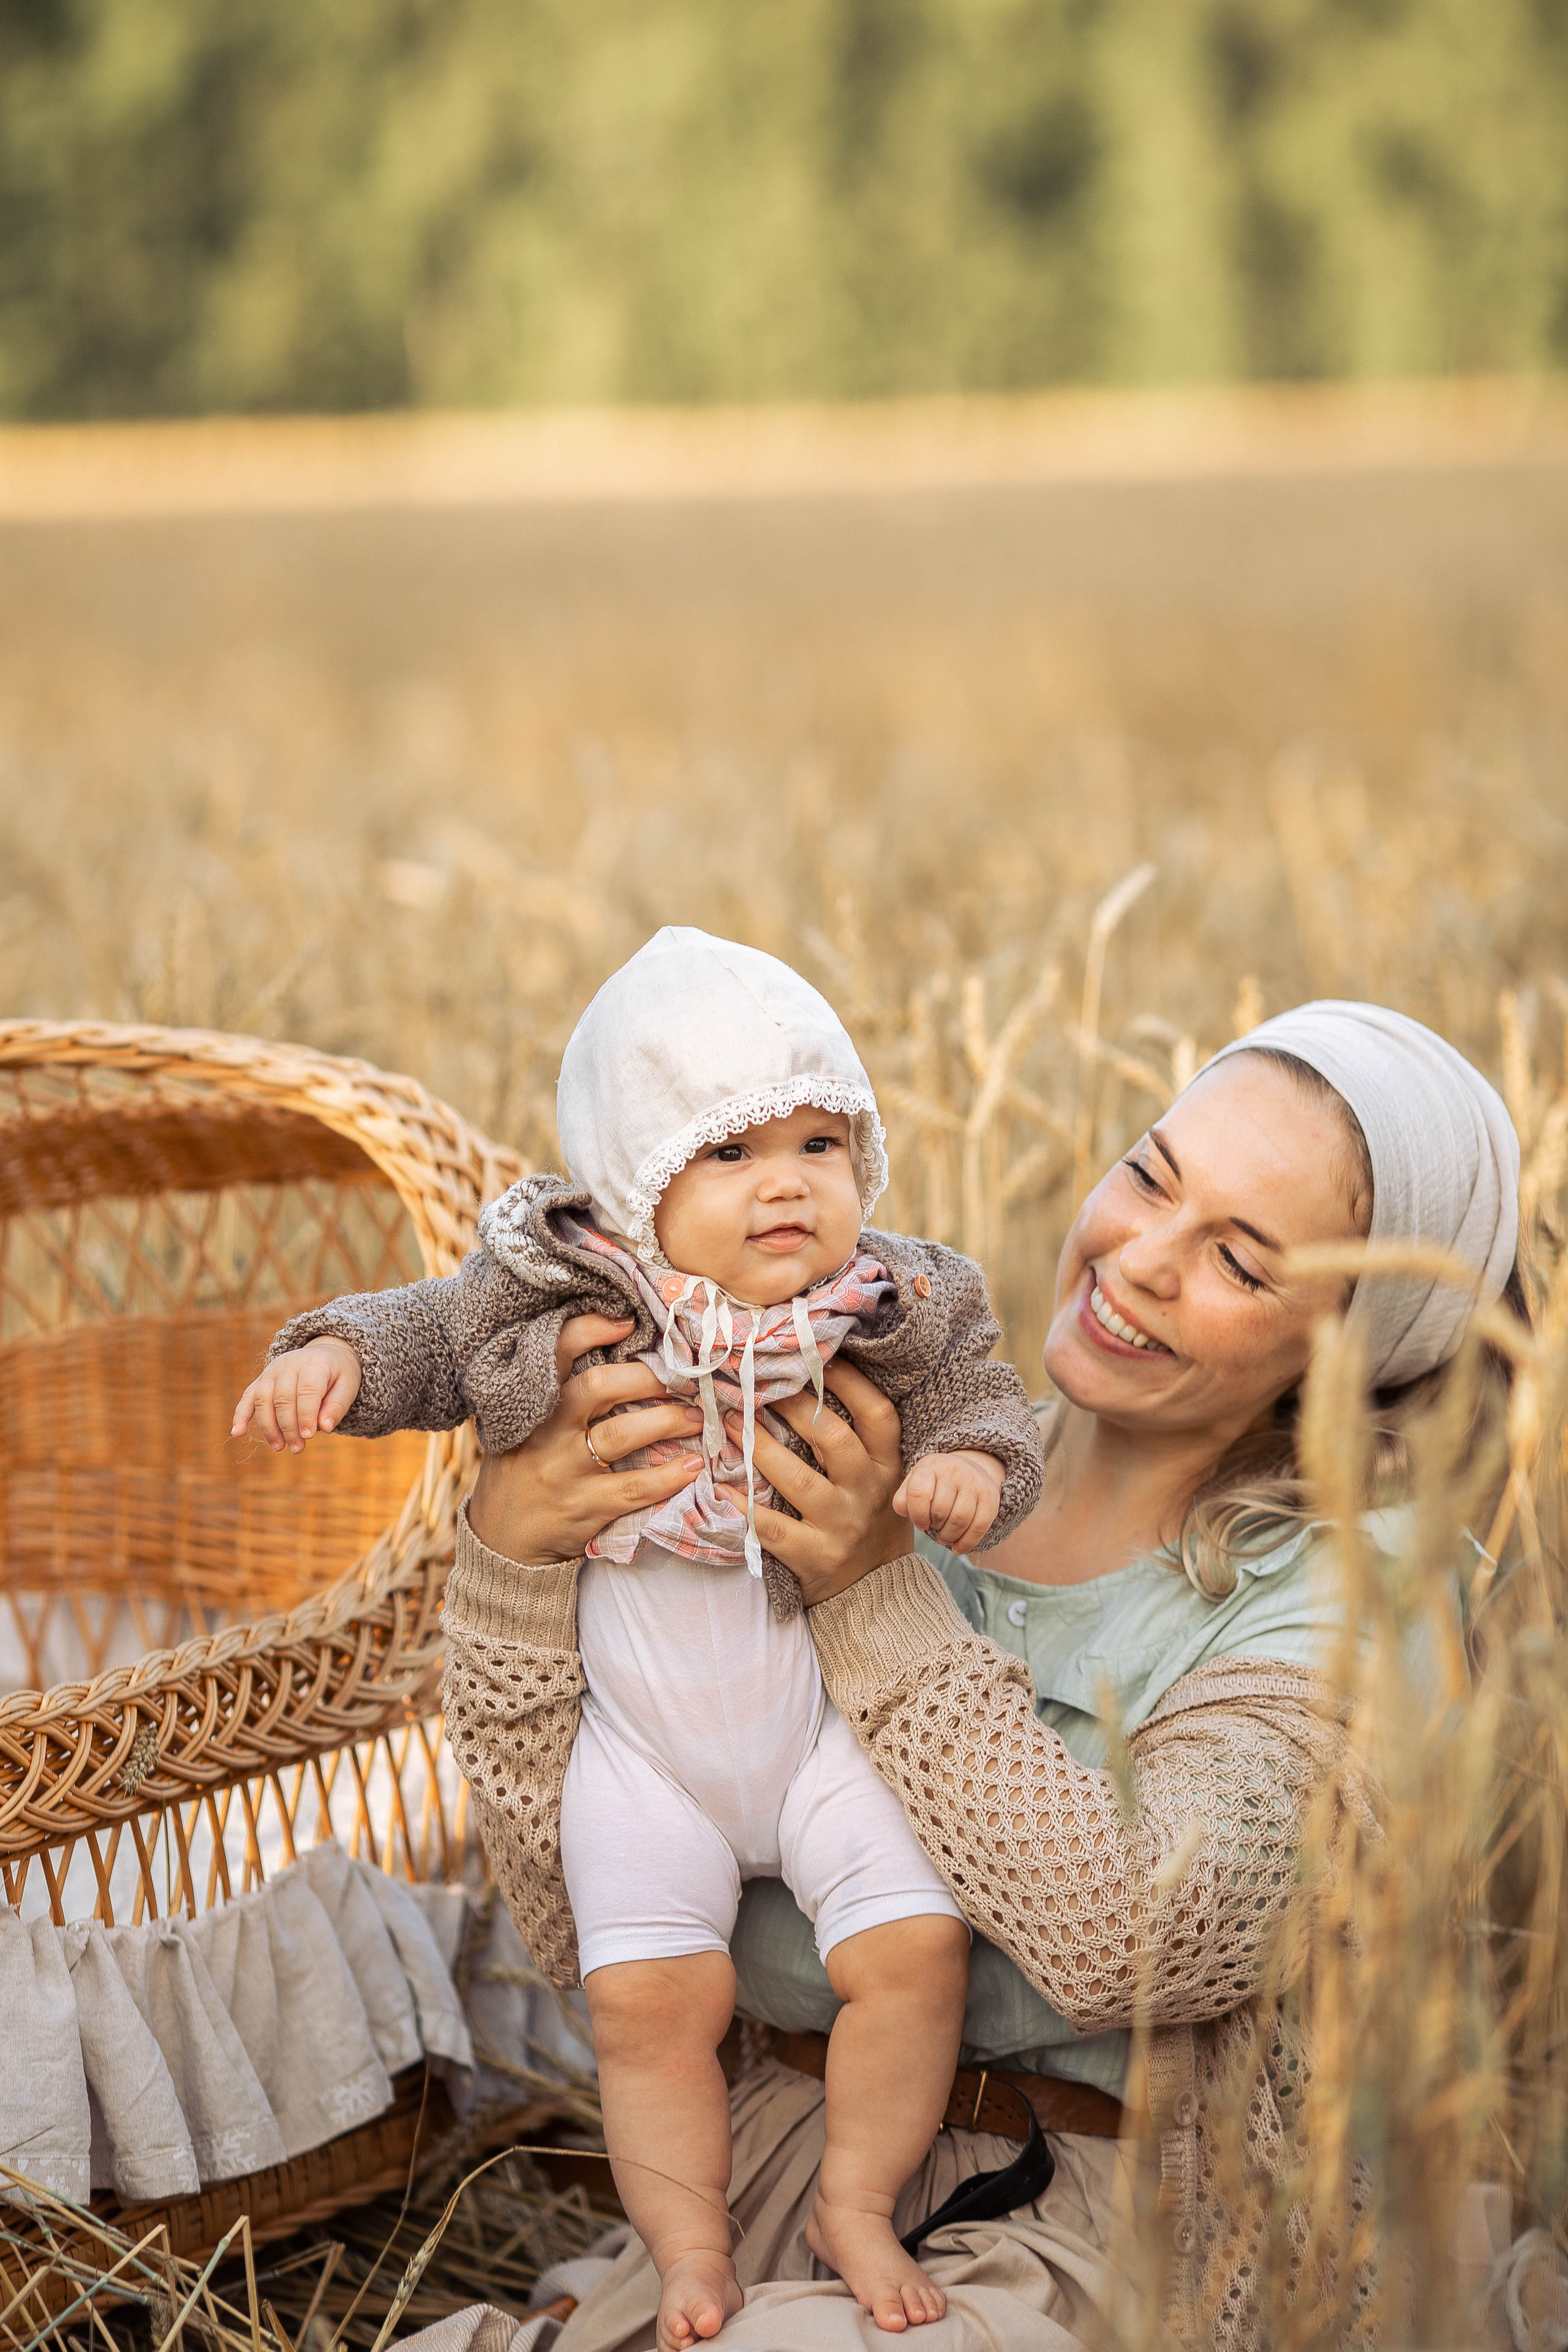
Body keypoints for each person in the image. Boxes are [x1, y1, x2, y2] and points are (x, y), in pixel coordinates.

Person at [424, 998, 1520, 2351]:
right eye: (1147, 1178)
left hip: (1100, 2231)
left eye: (1240, 1260)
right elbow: (572, 1923)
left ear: (1359, 1341)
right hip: (753, 2182)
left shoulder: (1361, 1598)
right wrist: (516, 1563)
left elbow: (1136, 1934)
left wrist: (871, 1596)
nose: (1139, 1260)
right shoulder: (874, 1436)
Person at [233, 928, 1044, 2348]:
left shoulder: (894, 1302)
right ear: (635, 1184)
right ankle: (688, 2248)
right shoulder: (560, 1289)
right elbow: (424, 1332)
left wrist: (972, 1469)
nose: (786, 1182)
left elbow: (981, 1400)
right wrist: (338, 1361)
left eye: (819, 1143)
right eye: (728, 1156)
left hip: (822, 1727)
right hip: (639, 1751)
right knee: (645, 2011)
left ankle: (855, 2197)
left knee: (913, 1952)